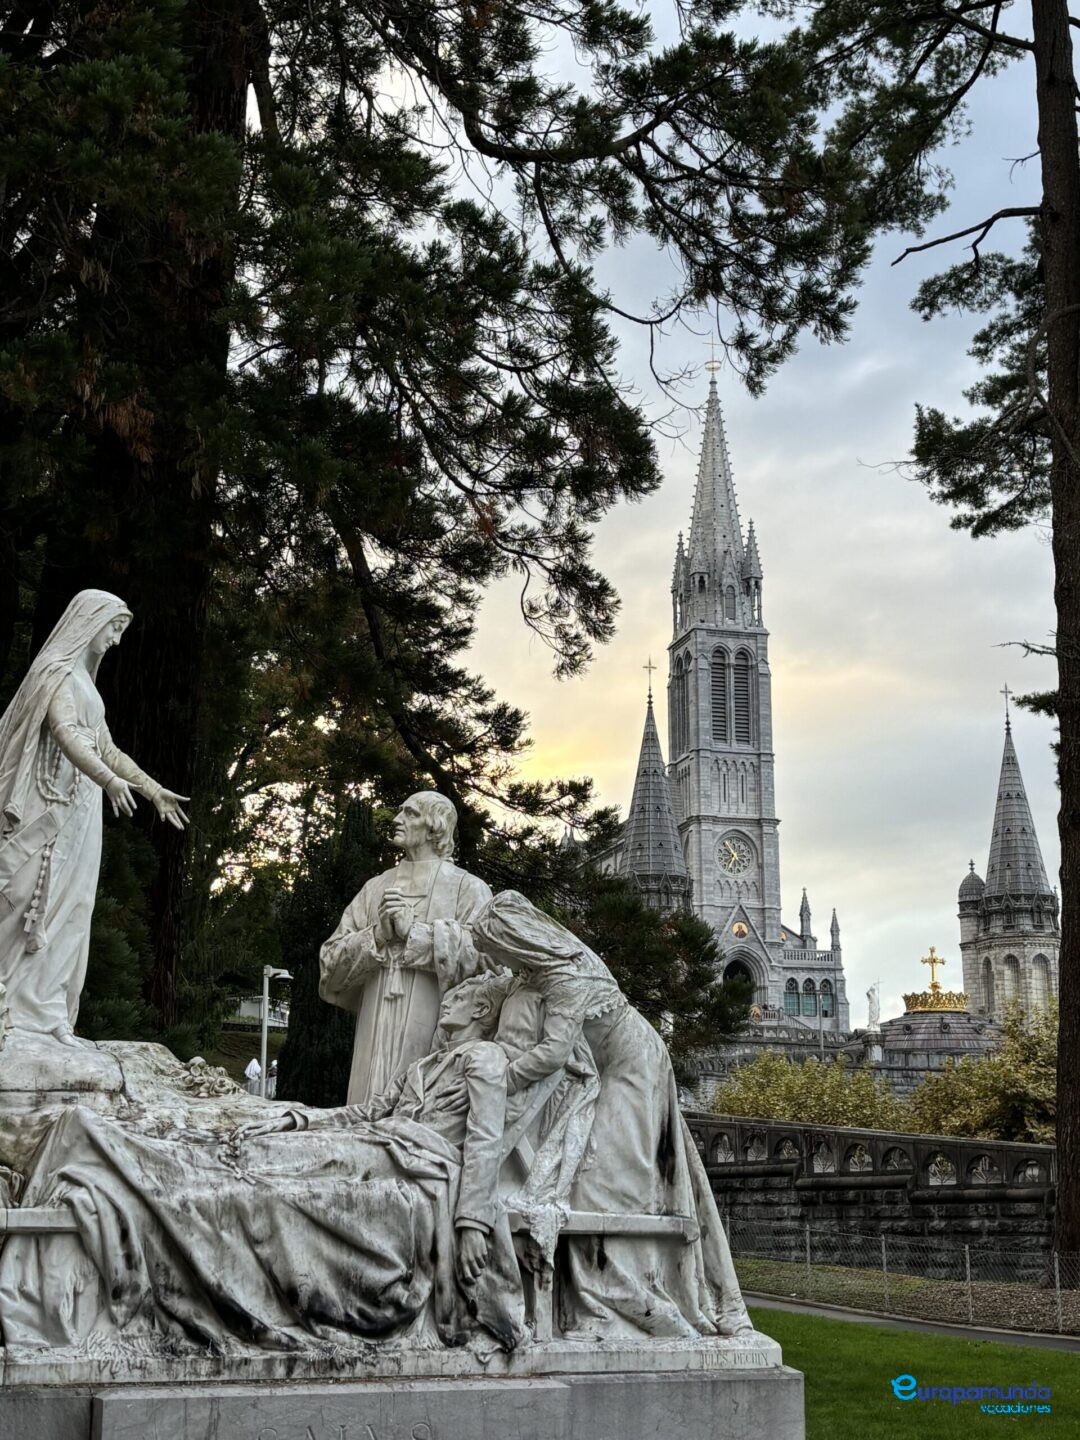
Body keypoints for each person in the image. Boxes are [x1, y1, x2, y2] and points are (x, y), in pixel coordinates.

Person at [470, 889, 752, 1341]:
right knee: (589, 1180)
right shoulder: (542, 971)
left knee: (602, 1188)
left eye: (497, 949)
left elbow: (550, 1055)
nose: (498, 960)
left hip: (633, 1066)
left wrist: (491, 1083)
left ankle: (622, 1309)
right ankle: (597, 1305)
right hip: (607, 1069)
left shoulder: (566, 976)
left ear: (517, 940)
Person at [0, 591, 188, 1045]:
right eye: (114, 629)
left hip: (82, 811)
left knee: (76, 906)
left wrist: (151, 787)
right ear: (91, 621)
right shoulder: (58, 675)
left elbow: (109, 749)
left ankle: (49, 1012)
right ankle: (12, 1003)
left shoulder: (88, 685)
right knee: (28, 897)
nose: (117, 641)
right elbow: (66, 734)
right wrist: (107, 780)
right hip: (52, 806)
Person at [319, 792, 494, 1103]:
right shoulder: (375, 888)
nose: (397, 820)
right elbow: (330, 964)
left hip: (436, 1033)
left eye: (410, 813)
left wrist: (416, 934)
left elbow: (489, 963)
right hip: (375, 1024)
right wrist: (377, 935)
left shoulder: (468, 888)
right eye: (399, 811)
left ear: (435, 827)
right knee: (364, 1110)